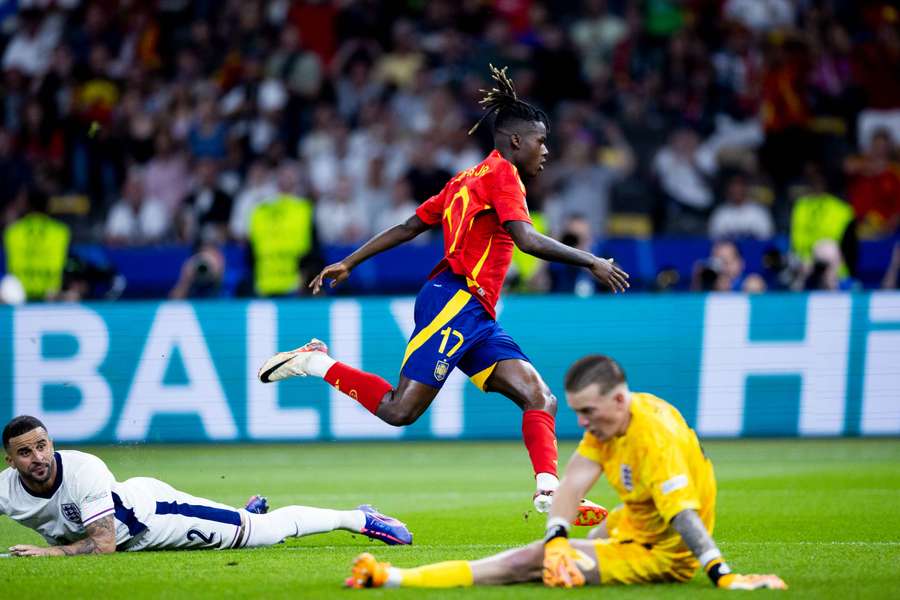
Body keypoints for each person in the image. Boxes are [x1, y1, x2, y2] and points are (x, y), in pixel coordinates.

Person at [257, 65, 629, 517]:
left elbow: (411, 225)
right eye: (540, 141)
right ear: (515, 141)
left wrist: (351, 260)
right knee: (400, 411)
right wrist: (591, 260)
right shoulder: (503, 178)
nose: (545, 151)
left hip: (476, 312)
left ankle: (550, 492)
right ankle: (314, 360)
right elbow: (527, 241)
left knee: (540, 398)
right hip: (455, 301)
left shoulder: (464, 179)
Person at [346, 355, 786, 591]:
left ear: (617, 400)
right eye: (577, 412)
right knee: (557, 550)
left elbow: (684, 517)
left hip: (661, 552)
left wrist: (720, 573)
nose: (582, 422)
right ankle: (562, 551)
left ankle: (393, 577)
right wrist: (559, 536)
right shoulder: (615, 420)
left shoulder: (657, 440)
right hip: (630, 524)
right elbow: (574, 481)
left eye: (588, 411)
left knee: (528, 562)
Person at [1, 415, 411, 556]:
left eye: (42, 446)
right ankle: (238, 517)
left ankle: (359, 519)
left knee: (263, 535)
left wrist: (49, 552)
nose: (37, 458)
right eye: (25, 453)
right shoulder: (7, 488)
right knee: (239, 524)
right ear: (9, 461)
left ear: (51, 443)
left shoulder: (82, 471)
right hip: (134, 516)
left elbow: (103, 546)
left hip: (155, 517)